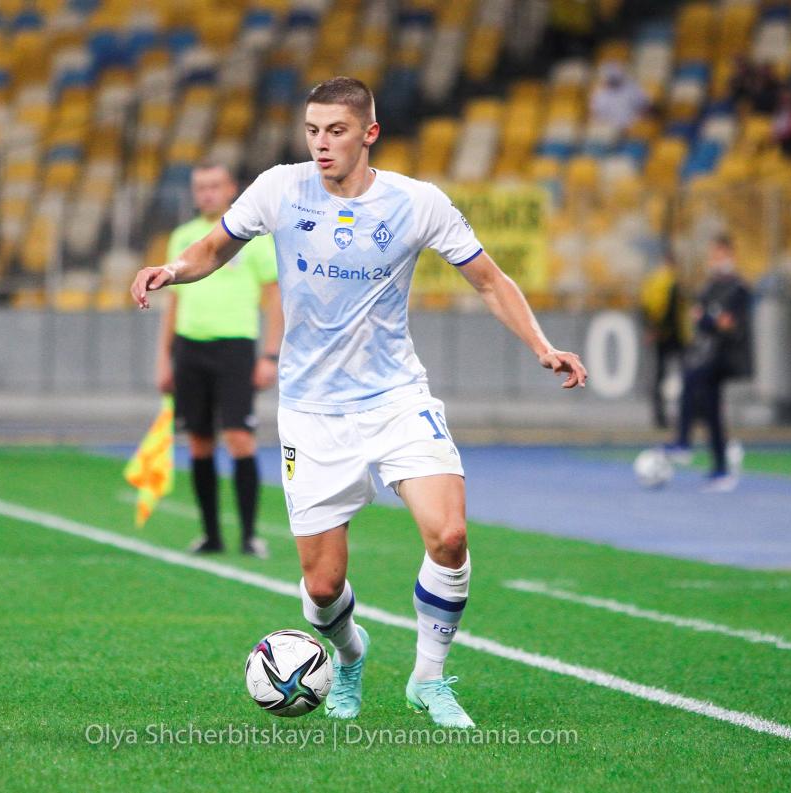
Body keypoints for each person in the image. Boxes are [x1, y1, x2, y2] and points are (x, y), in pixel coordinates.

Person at [132, 77, 586, 728]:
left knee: (450, 535)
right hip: (312, 411)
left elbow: (489, 280)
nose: (321, 144)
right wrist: (171, 270)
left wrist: (542, 345)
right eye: (312, 130)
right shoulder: (280, 189)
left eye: (336, 131)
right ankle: (349, 655)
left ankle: (429, 677)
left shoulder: (416, 203)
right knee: (321, 588)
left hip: (396, 397)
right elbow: (214, 247)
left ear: (369, 133)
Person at [154, 161, 284, 558]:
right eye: (200, 187)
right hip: (190, 348)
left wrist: (270, 354)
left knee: (239, 437)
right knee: (198, 442)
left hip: (235, 347)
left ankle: (249, 535)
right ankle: (210, 534)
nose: (207, 194)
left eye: (214, 186)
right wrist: (164, 358)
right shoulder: (183, 236)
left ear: (231, 189)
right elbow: (173, 302)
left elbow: (275, 297)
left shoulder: (251, 236)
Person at [665, 235, 752, 492]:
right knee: (711, 410)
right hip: (709, 354)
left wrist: (709, 320)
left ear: (730, 255)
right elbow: (699, 318)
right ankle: (721, 466)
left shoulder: (737, 288)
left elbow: (728, 324)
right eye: (713, 255)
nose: (715, 260)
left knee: (693, 380)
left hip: (727, 355)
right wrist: (711, 319)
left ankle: (684, 442)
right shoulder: (710, 287)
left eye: (720, 255)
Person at [639, 251, 686, 429]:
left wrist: (650, 329)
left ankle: (659, 417)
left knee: (659, 376)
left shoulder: (652, 281)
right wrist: (661, 330)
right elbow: (672, 312)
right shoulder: (673, 282)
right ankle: (683, 414)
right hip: (674, 336)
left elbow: (644, 306)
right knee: (682, 375)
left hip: (659, 335)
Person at [589, 62, 649, 137]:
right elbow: (596, 115)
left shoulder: (634, 89)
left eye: (613, 78)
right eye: (608, 78)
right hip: (609, 131)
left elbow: (645, 109)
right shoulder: (599, 94)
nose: (611, 80)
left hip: (633, 129)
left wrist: (634, 125)